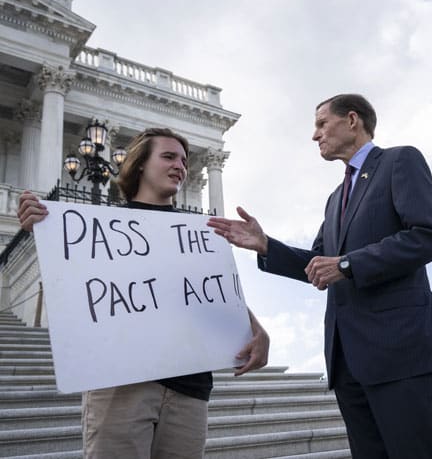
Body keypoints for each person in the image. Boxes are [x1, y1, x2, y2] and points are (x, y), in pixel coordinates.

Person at [207, 94, 432, 459]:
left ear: (352, 120)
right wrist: (265, 246)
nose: (315, 135)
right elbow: (318, 263)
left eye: (321, 123)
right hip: (347, 359)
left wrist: (348, 264)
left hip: (399, 351)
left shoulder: (399, 161)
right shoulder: (335, 197)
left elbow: (427, 236)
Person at [17, 127, 270, 459]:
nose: (180, 165)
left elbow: (214, 292)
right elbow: (76, 290)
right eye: (168, 156)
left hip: (190, 389)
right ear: (138, 165)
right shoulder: (99, 229)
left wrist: (257, 329)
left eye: (183, 159)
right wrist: (42, 228)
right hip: (122, 385)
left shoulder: (198, 234)